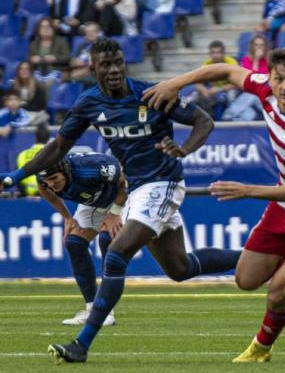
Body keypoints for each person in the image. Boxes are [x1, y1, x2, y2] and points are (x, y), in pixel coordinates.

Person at [0, 38, 241, 363]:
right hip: (140, 190)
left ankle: (81, 346)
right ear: (94, 67)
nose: (113, 70)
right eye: (106, 64)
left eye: (118, 63)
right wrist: (15, 176)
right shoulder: (88, 103)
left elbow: (204, 121)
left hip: (163, 182)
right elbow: (58, 147)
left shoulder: (151, 93)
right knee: (180, 269)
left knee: (114, 254)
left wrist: (185, 148)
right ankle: (268, 258)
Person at [142, 48, 285, 363]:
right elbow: (226, 72)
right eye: (280, 79)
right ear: (271, 78)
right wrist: (176, 83)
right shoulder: (264, 89)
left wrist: (248, 190)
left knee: (277, 294)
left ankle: (261, 348)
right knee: (245, 280)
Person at [37, 152, 126, 326]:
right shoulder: (44, 179)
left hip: (123, 196)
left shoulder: (90, 170)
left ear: (66, 172)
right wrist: (67, 217)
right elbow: (43, 189)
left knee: (108, 239)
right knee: (74, 242)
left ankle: (105, 311)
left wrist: (114, 213)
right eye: (47, 180)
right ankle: (92, 309)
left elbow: (123, 181)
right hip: (97, 198)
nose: (51, 184)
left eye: (55, 178)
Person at [193, 40, 240, 119]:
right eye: (213, 53)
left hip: (228, 89)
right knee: (195, 96)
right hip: (212, 90)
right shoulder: (207, 64)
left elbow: (237, 84)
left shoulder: (231, 63)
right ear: (210, 54)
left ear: (223, 53)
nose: (215, 55)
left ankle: (229, 118)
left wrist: (219, 89)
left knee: (231, 95)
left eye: (218, 52)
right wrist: (203, 90)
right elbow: (198, 83)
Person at [29, 17, 71, 86]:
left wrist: (55, 58)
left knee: (49, 83)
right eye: (42, 27)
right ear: (38, 30)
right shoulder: (34, 43)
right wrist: (32, 59)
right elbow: (28, 59)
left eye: (48, 26)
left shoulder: (61, 41)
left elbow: (67, 57)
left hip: (56, 71)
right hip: (38, 72)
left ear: (53, 29)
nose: (46, 29)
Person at [16, 123, 50, 197]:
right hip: (47, 197)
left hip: (26, 197)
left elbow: (17, 178)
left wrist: (26, 195)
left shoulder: (22, 154)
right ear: (48, 137)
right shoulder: (53, 154)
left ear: (35, 136)